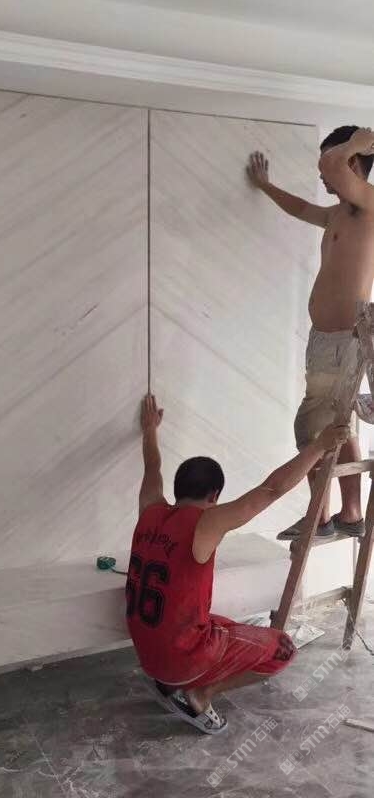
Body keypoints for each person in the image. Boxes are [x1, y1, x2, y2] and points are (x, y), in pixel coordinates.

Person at [126, 394, 349, 734]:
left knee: (227, 625)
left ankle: (170, 682)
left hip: (147, 655)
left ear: (178, 489)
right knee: (282, 649)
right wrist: (319, 445)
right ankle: (201, 693)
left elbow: (152, 467)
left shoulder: (150, 508)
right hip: (181, 660)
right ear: (214, 496)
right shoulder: (207, 522)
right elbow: (271, 489)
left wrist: (150, 431)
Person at [247, 126, 374, 540]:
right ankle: (350, 514)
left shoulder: (369, 204)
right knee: (338, 425)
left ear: (353, 164)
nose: (322, 174)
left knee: (310, 428)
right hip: (328, 340)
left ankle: (319, 517)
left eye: (332, 162)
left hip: (342, 339)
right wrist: (266, 186)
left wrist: (354, 144)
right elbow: (301, 208)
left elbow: (330, 166)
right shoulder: (339, 214)